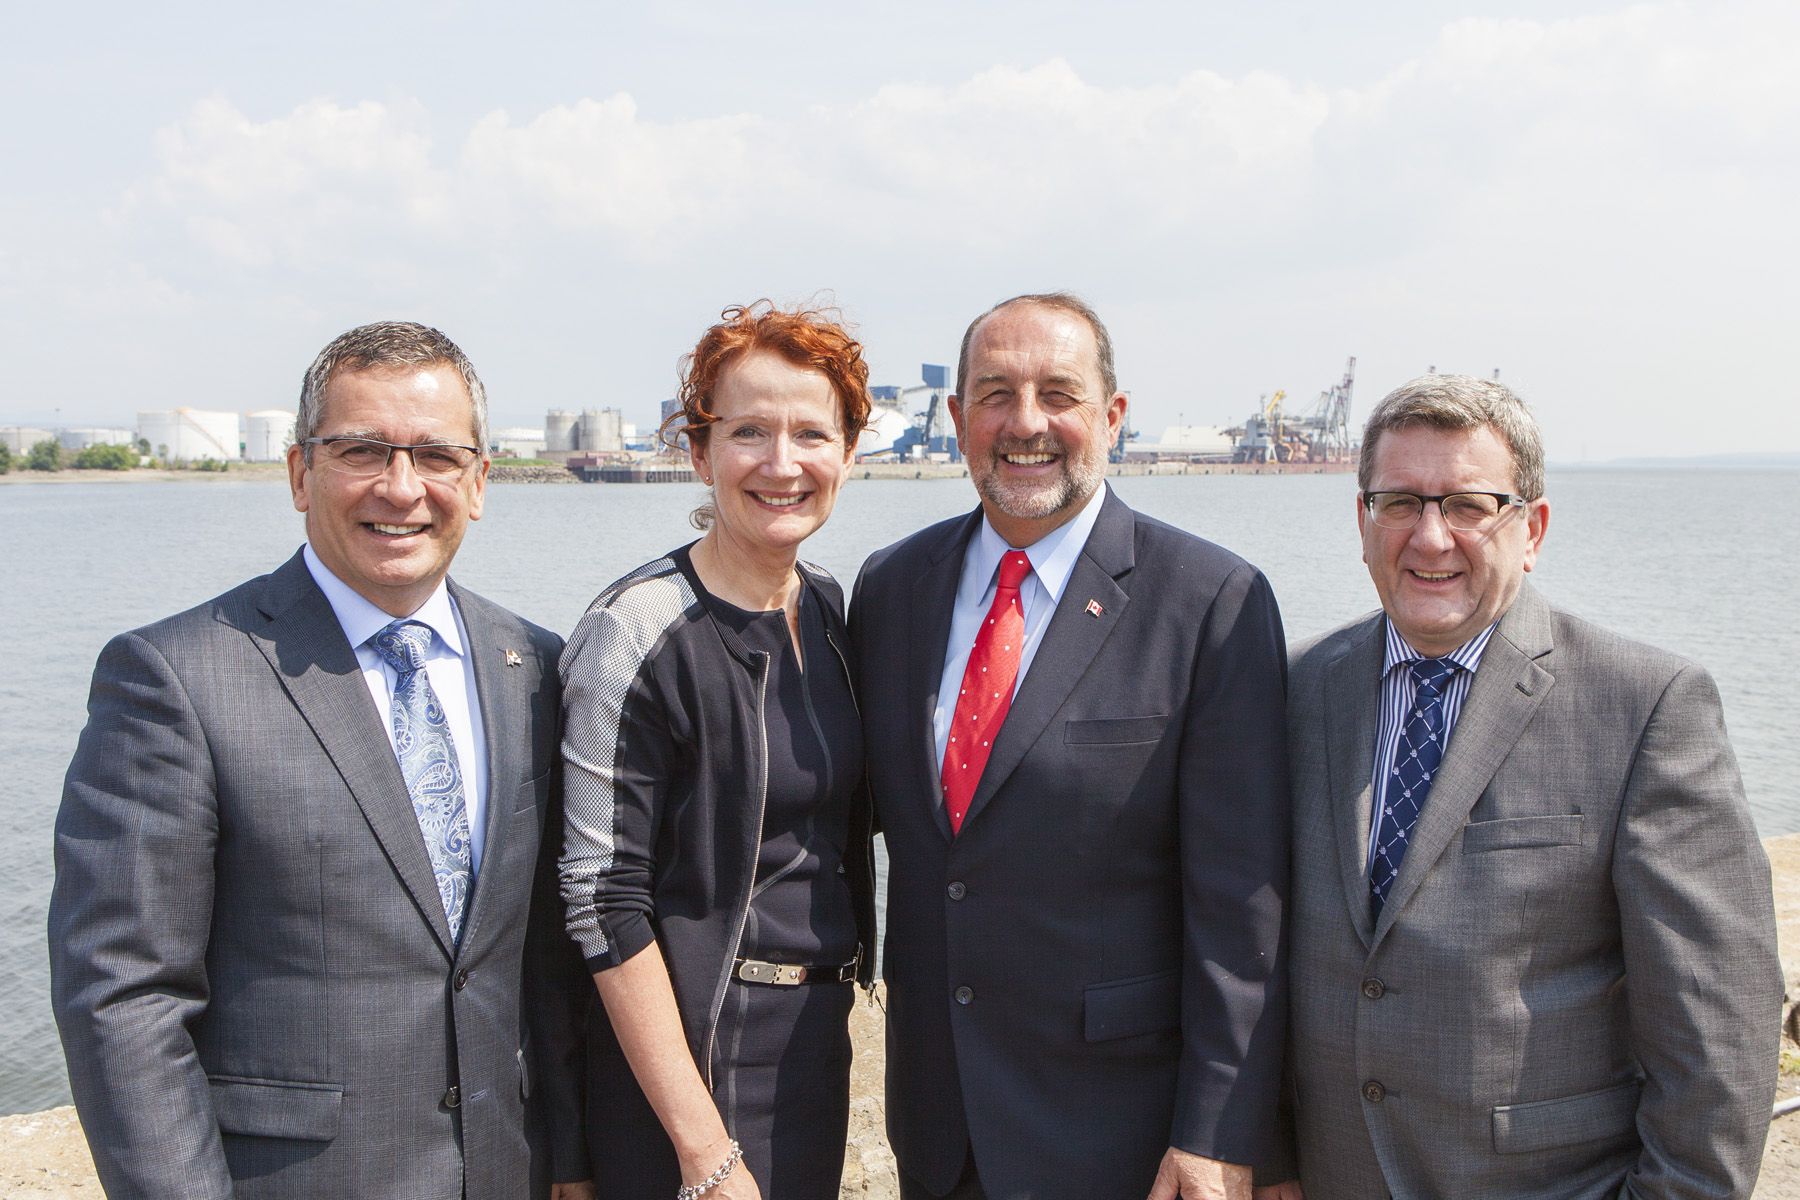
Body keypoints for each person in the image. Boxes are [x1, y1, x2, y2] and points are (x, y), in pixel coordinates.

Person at [48, 322, 586, 1200]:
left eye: (437, 456)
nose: (402, 487)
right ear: (300, 473)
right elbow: (123, 1001)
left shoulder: (537, 664)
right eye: (362, 450)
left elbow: (548, 965)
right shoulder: (177, 678)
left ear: (480, 481)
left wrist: (573, 1160)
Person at [1267, 375, 1781, 1199]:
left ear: (1531, 528)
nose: (1431, 538)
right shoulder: (1293, 692)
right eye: (1400, 502)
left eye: (1469, 505)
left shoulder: (1646, 706)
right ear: (1362, 522)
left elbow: (1717, 1030)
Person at [850, 293, 1290, 1200]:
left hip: (1120, 1126)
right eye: (995, 393)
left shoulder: (1211, 602)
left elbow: (1243, 906)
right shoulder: (892, 589)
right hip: (939, 1120)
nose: (1026, 424)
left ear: (1112, 418)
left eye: (1059, 393)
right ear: (957, 417)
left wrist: (1219, 1132)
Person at [555, 302, 878, 1200]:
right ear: (699, 454)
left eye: (812, 433)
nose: (782, 464)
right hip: (685, 1054)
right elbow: (598, 897)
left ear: (849, 454)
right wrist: (703, 1150)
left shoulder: (829, 610)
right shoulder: (636, 632)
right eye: (748, 432)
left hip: (813, 1041)